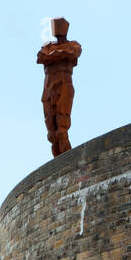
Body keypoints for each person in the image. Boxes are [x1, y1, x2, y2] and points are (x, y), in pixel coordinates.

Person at [37, 18, 82, 157]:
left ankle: (67, 158)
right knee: (51, 130)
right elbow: (41, 57)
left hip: (64, 85)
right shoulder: (48, 46)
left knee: (62, 127)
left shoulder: (73, 45)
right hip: (48, 87)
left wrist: (54, 55)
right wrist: (59, 54)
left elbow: (72, 53)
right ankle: (58, 159)